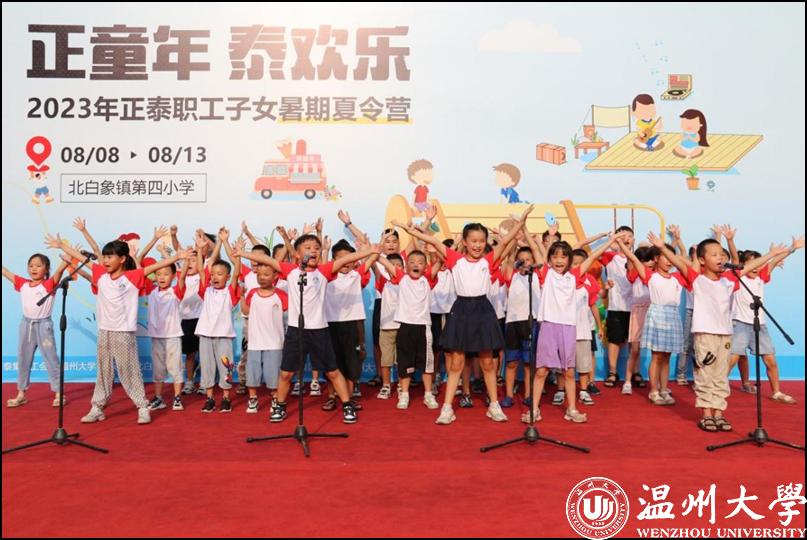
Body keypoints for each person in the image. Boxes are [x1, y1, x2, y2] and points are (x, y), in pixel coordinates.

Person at [2, 254, 67, 408]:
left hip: (44, 326)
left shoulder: (48, 284)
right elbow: (6, 272)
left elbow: (59, 271)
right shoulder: (23, 284)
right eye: (31, 265)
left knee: (51, 359)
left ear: (46, 269)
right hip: (26, 326)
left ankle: (59, 393)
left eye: (38, 265)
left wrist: (66, 259)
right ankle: (21, 394)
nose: (34, 269)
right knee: (23, 358)